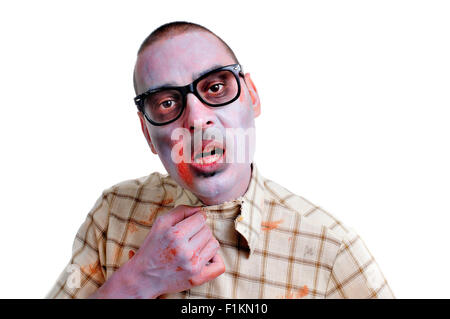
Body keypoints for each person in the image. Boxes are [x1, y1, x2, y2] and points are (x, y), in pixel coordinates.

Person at [46, 21, 394, 299]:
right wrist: (138, 281)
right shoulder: (113, 214)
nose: (197, 120)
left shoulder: (329, 250)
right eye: (167, 103)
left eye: (214, 87)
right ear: (146, 132)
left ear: (252, 97)